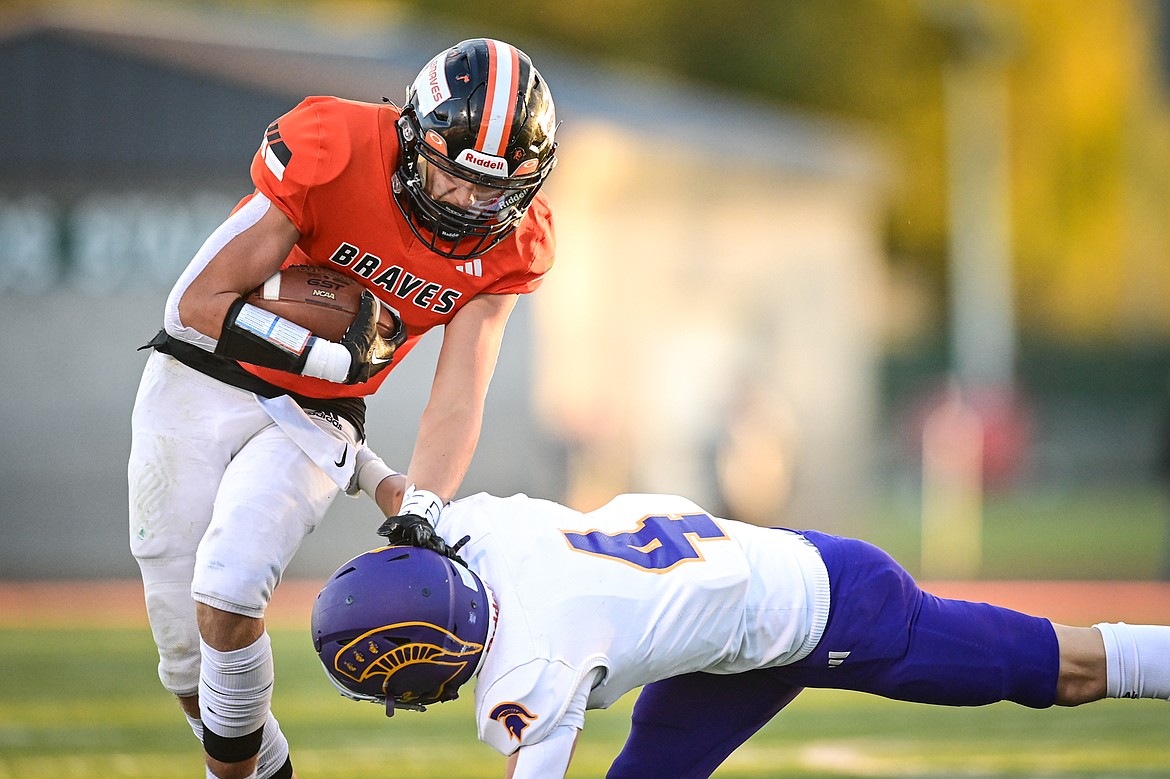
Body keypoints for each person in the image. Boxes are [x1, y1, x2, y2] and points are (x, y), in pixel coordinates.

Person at [127, 38, 558, 779]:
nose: (463, 203)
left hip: (318, 416)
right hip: (197, 378)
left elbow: (461, 389)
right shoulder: (334, 147)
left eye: (488, 192)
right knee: (186, 658)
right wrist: (329, 351)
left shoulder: (514, 243)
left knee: (228, 591)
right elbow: (194, 303)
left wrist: (424, 504)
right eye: (449, 175)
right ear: (413, 137)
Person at [311, 490, 1170, 779]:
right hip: (725, 641)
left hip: (838, 608)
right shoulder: (488, 535)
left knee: (1067, 670)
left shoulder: (533, 658)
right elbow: (422, 505)